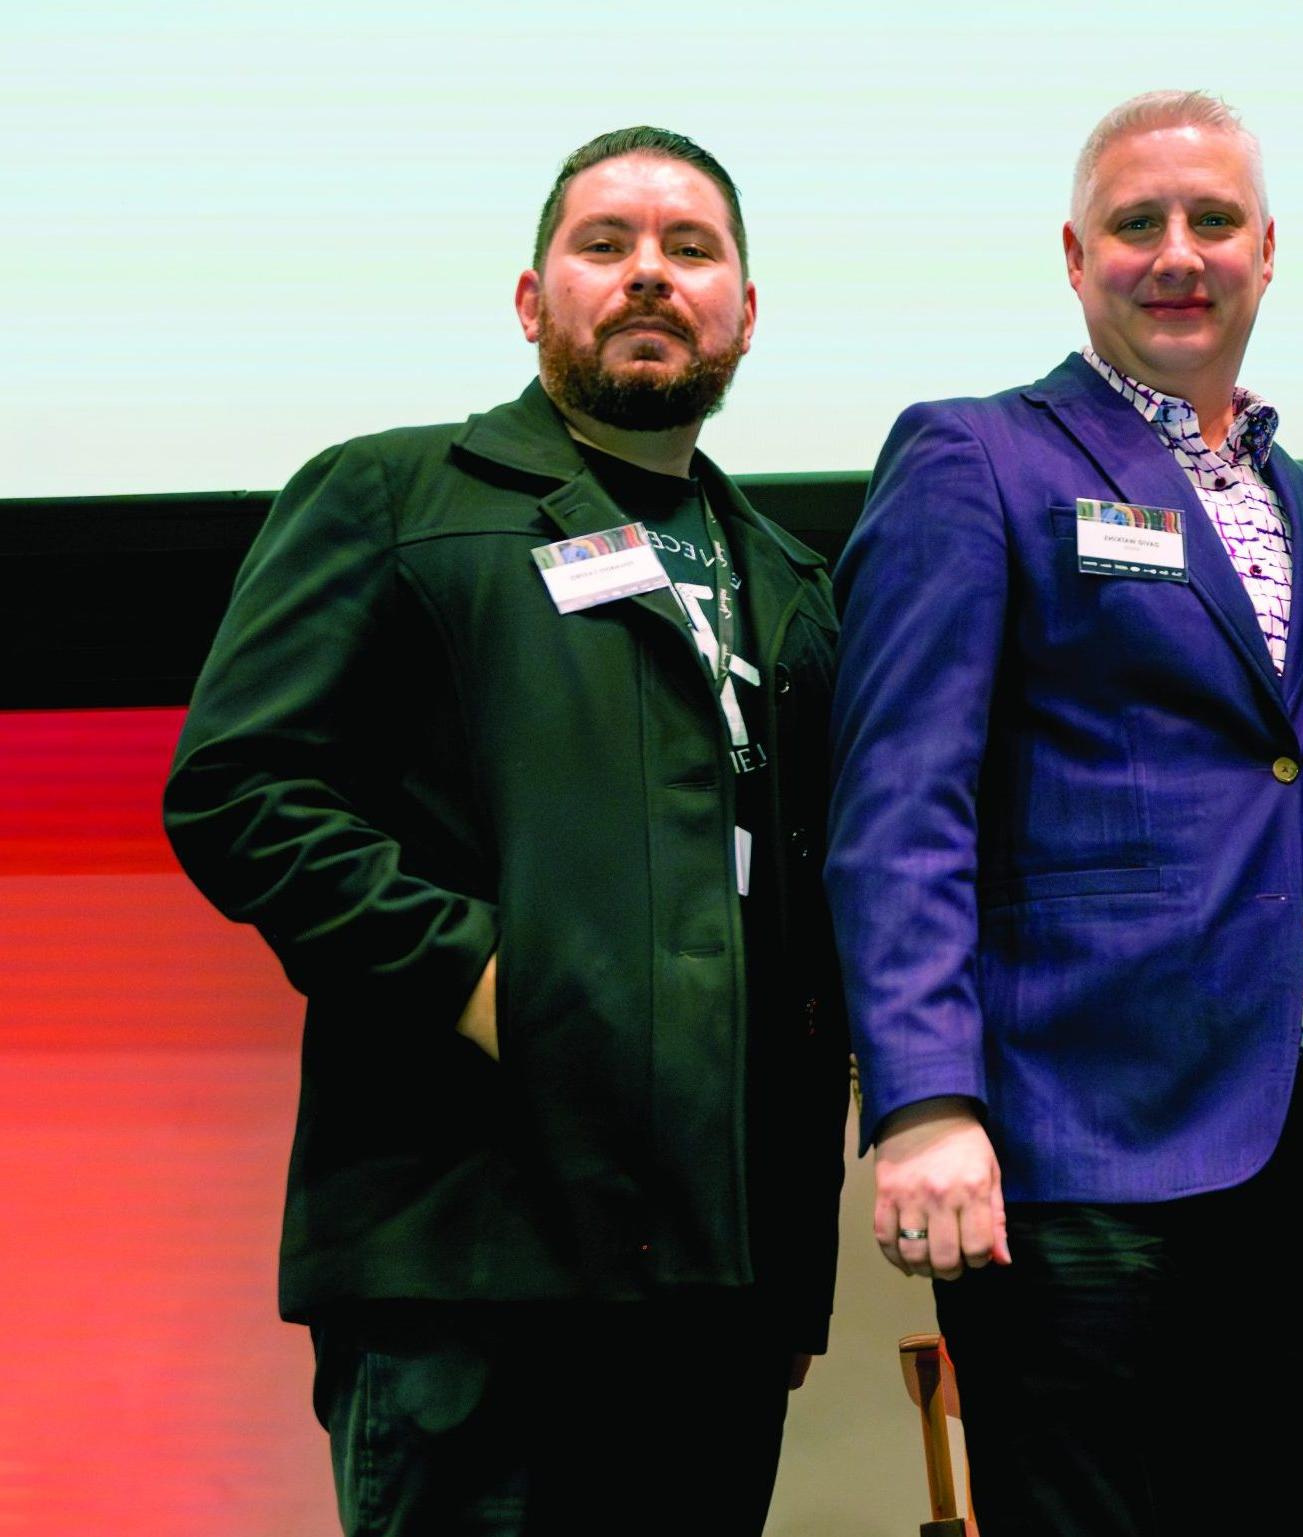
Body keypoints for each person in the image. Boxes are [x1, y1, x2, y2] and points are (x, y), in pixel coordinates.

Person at [163, 126, 846, 1536]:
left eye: (690, 249)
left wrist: (795, 1271)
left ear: (745, 313)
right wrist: (476, 976)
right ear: (533, 300)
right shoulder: (394, 499)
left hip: (718, 1293)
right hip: (468, 1266)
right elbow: (239, 788)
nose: (648, 275)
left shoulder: (793, 587)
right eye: (605, 245)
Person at [826, 90, 1303, 1535]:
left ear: (1267, 251)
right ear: (1076, 256)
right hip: (1075, 1149)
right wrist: (927, 1100)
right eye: (1138, 224)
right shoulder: (975, 458)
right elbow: (898, 800)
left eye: (1211, 223)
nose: (1175, 253)